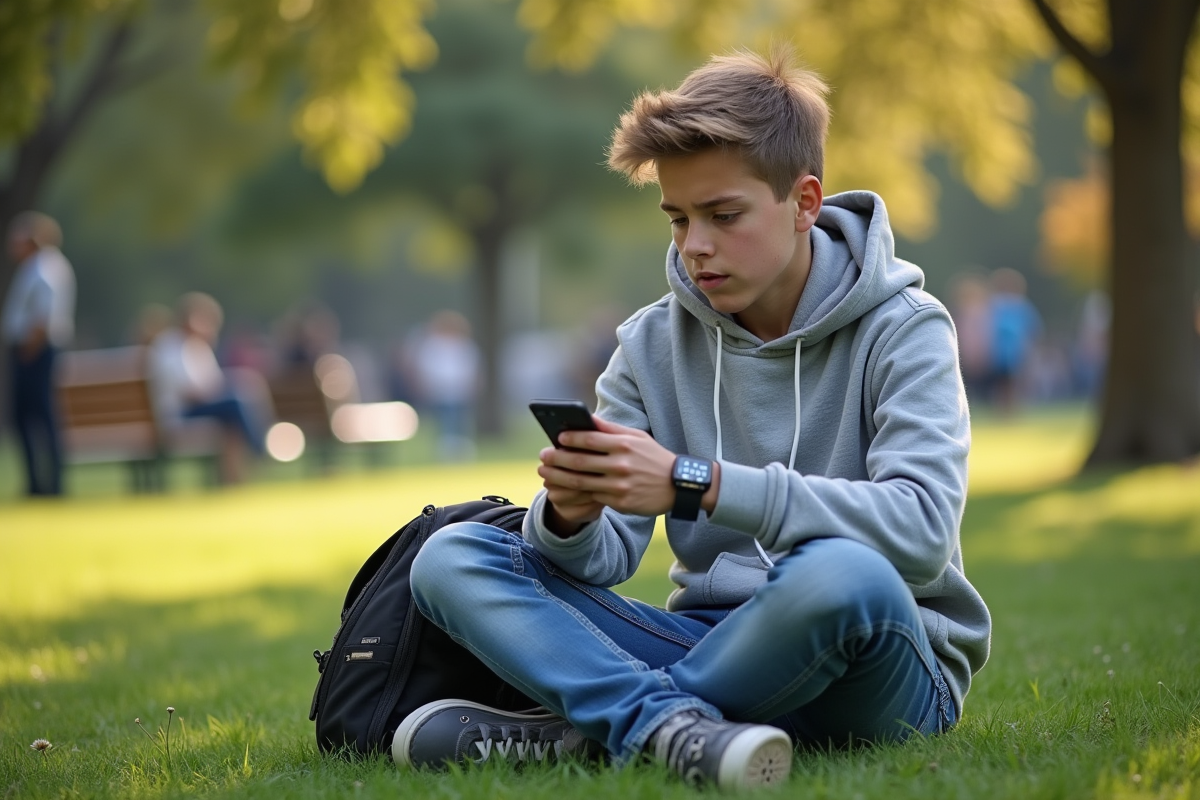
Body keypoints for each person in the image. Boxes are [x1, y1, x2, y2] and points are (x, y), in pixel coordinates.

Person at [399, 49, 990, 789]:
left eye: (723, 215)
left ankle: (598, 727)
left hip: (879, 665)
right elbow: (607, 557)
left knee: (842, 573)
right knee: (454, 556)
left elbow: (923, 533)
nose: (695, 245)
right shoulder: (649, 343)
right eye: (678, 219)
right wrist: (573, 517)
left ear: (805, 202)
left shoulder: (905, 327)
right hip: (711, 644)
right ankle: (668, 728)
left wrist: (697, 483)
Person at [147, 292, 271, 485]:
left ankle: (236, 477)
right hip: (178, 415)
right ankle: (261, 451)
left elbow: (213, 385)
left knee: (242, 399)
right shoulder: (171, 346)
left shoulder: (194, 347)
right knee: (236, 403)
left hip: (193, 410)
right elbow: (191, 393)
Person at [2, 212, 76, 497]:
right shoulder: (35, 267)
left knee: (41, 416)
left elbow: (43, 320)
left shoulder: (46, 268)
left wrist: (28, 350)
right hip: (30, 350)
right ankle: (37, 483)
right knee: (27, 417)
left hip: (35, 351)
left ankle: (50, 485)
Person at [411, 310, 481, 461]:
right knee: (444, 423)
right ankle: (445, 452)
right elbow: (425, 368)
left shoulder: (464, 345)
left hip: (460, 391)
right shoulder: (433, 345)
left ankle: (460, 452)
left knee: (460, 423)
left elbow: (472, 367)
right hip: (440, 392)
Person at [986, 267, 1042, 415]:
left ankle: (1013, 410)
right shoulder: (994, 305)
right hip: (999, 352)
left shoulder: (1021, 306)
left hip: (1016, 352)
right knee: (1002, 383)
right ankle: (1003, 411)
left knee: (1014, 382)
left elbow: (1031, 329)